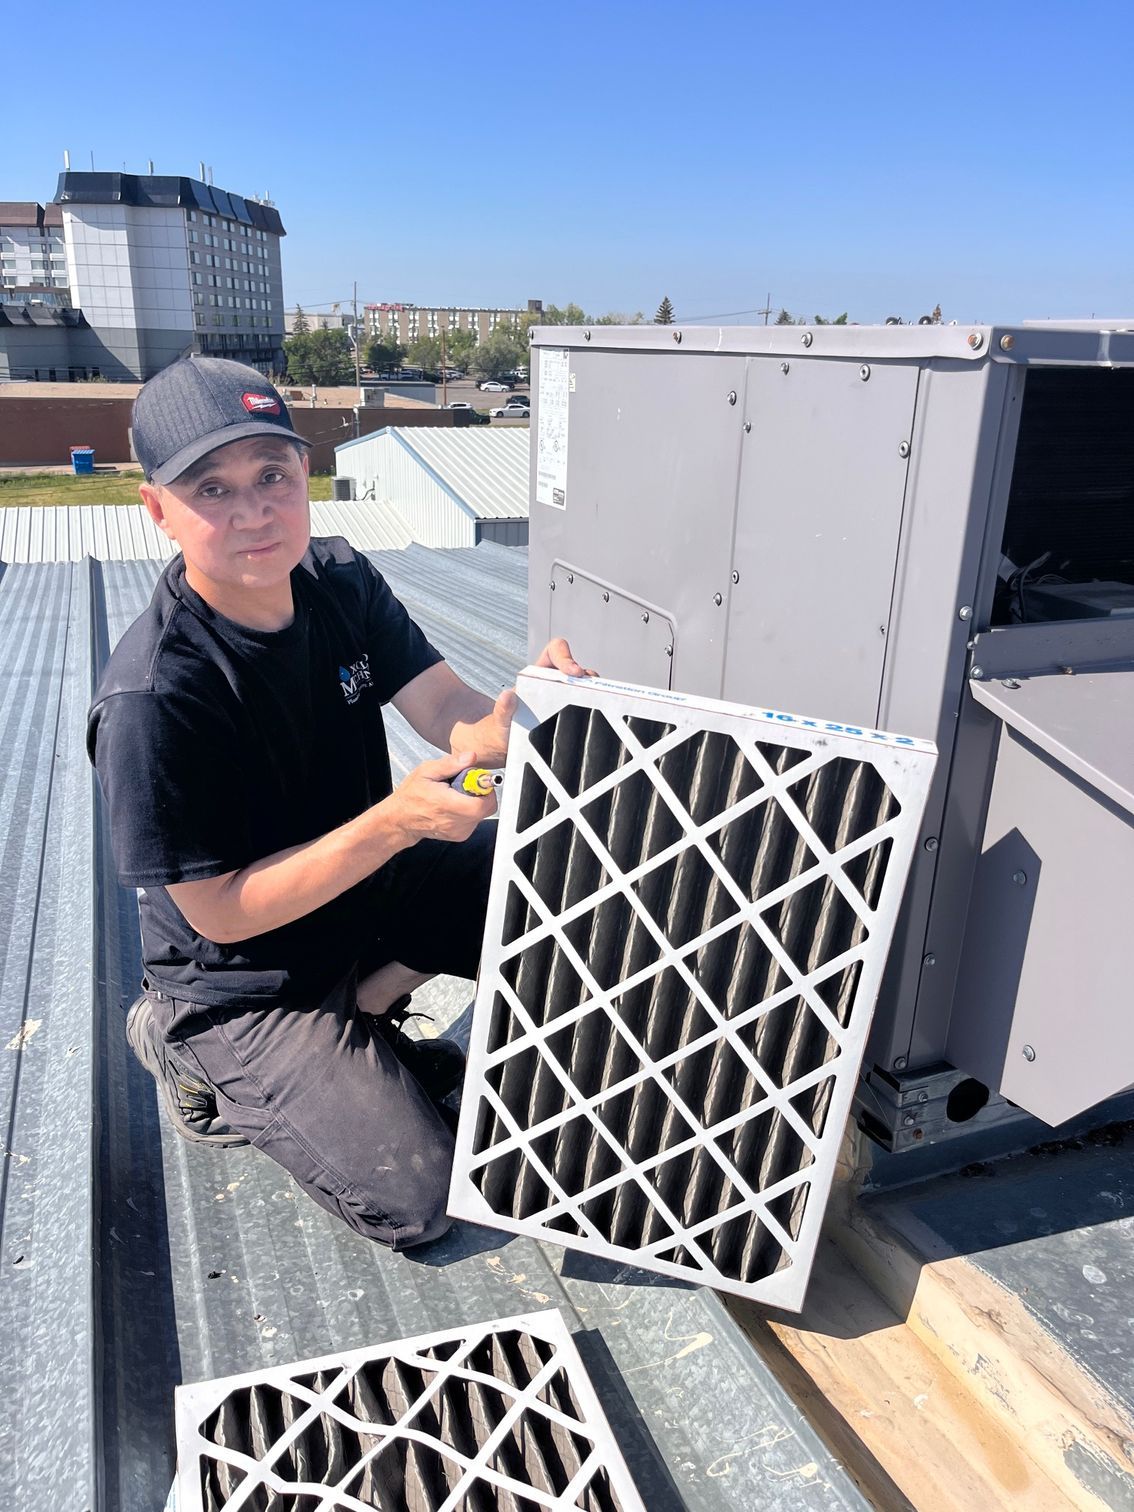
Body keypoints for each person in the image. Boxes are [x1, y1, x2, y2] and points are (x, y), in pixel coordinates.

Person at [87, 356, 589, 1249]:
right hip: (243, 982)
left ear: (304, 477)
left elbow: (448, 712)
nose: (253, 513)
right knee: (420, 1198)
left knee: (554, 880)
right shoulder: (157, 695)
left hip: (359, 895)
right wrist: (395, 824)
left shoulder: (339, 580)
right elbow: (220, 910)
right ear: (158, 510)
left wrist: (521, 715)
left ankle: (364, 999)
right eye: (212, 488)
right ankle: (183, 1043)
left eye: (272, 476)